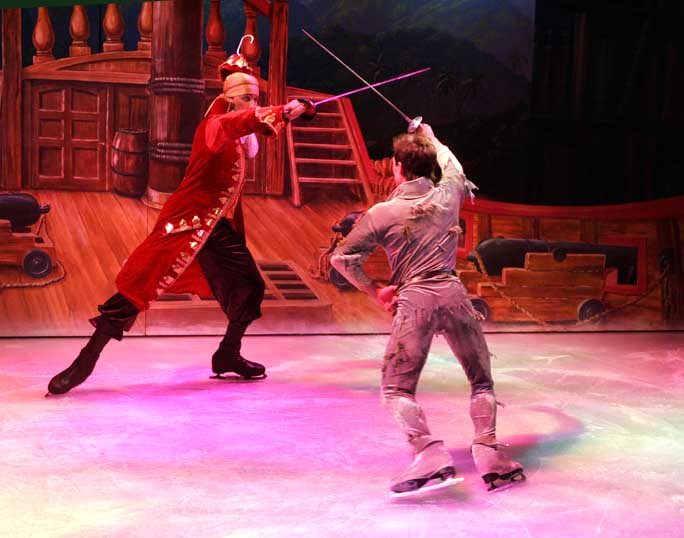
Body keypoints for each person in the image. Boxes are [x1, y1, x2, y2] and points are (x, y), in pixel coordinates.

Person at [47, 54, 309, 396]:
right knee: (137, 288)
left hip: (215, 227)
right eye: (246, 98)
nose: (252, 104)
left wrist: (293, 114)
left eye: (256, 99)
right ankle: (83, 362)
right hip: (185, 223)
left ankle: (228, 354)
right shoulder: (214, 126)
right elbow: (238, 124)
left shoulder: (238, 133)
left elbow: (248, 126)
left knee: (249, 286)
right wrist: (282, 112)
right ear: (228, 99)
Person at [329, 124, 525, 497]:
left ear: (398, 167)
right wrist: (433, 138)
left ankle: (429, 451)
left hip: (415, 301)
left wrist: (374, 290)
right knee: (480, 381)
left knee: (396, 390)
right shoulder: (447, 195)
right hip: (453, 296)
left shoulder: (382, 213)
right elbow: (456, 168)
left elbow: (343, 259)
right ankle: (489, 454)